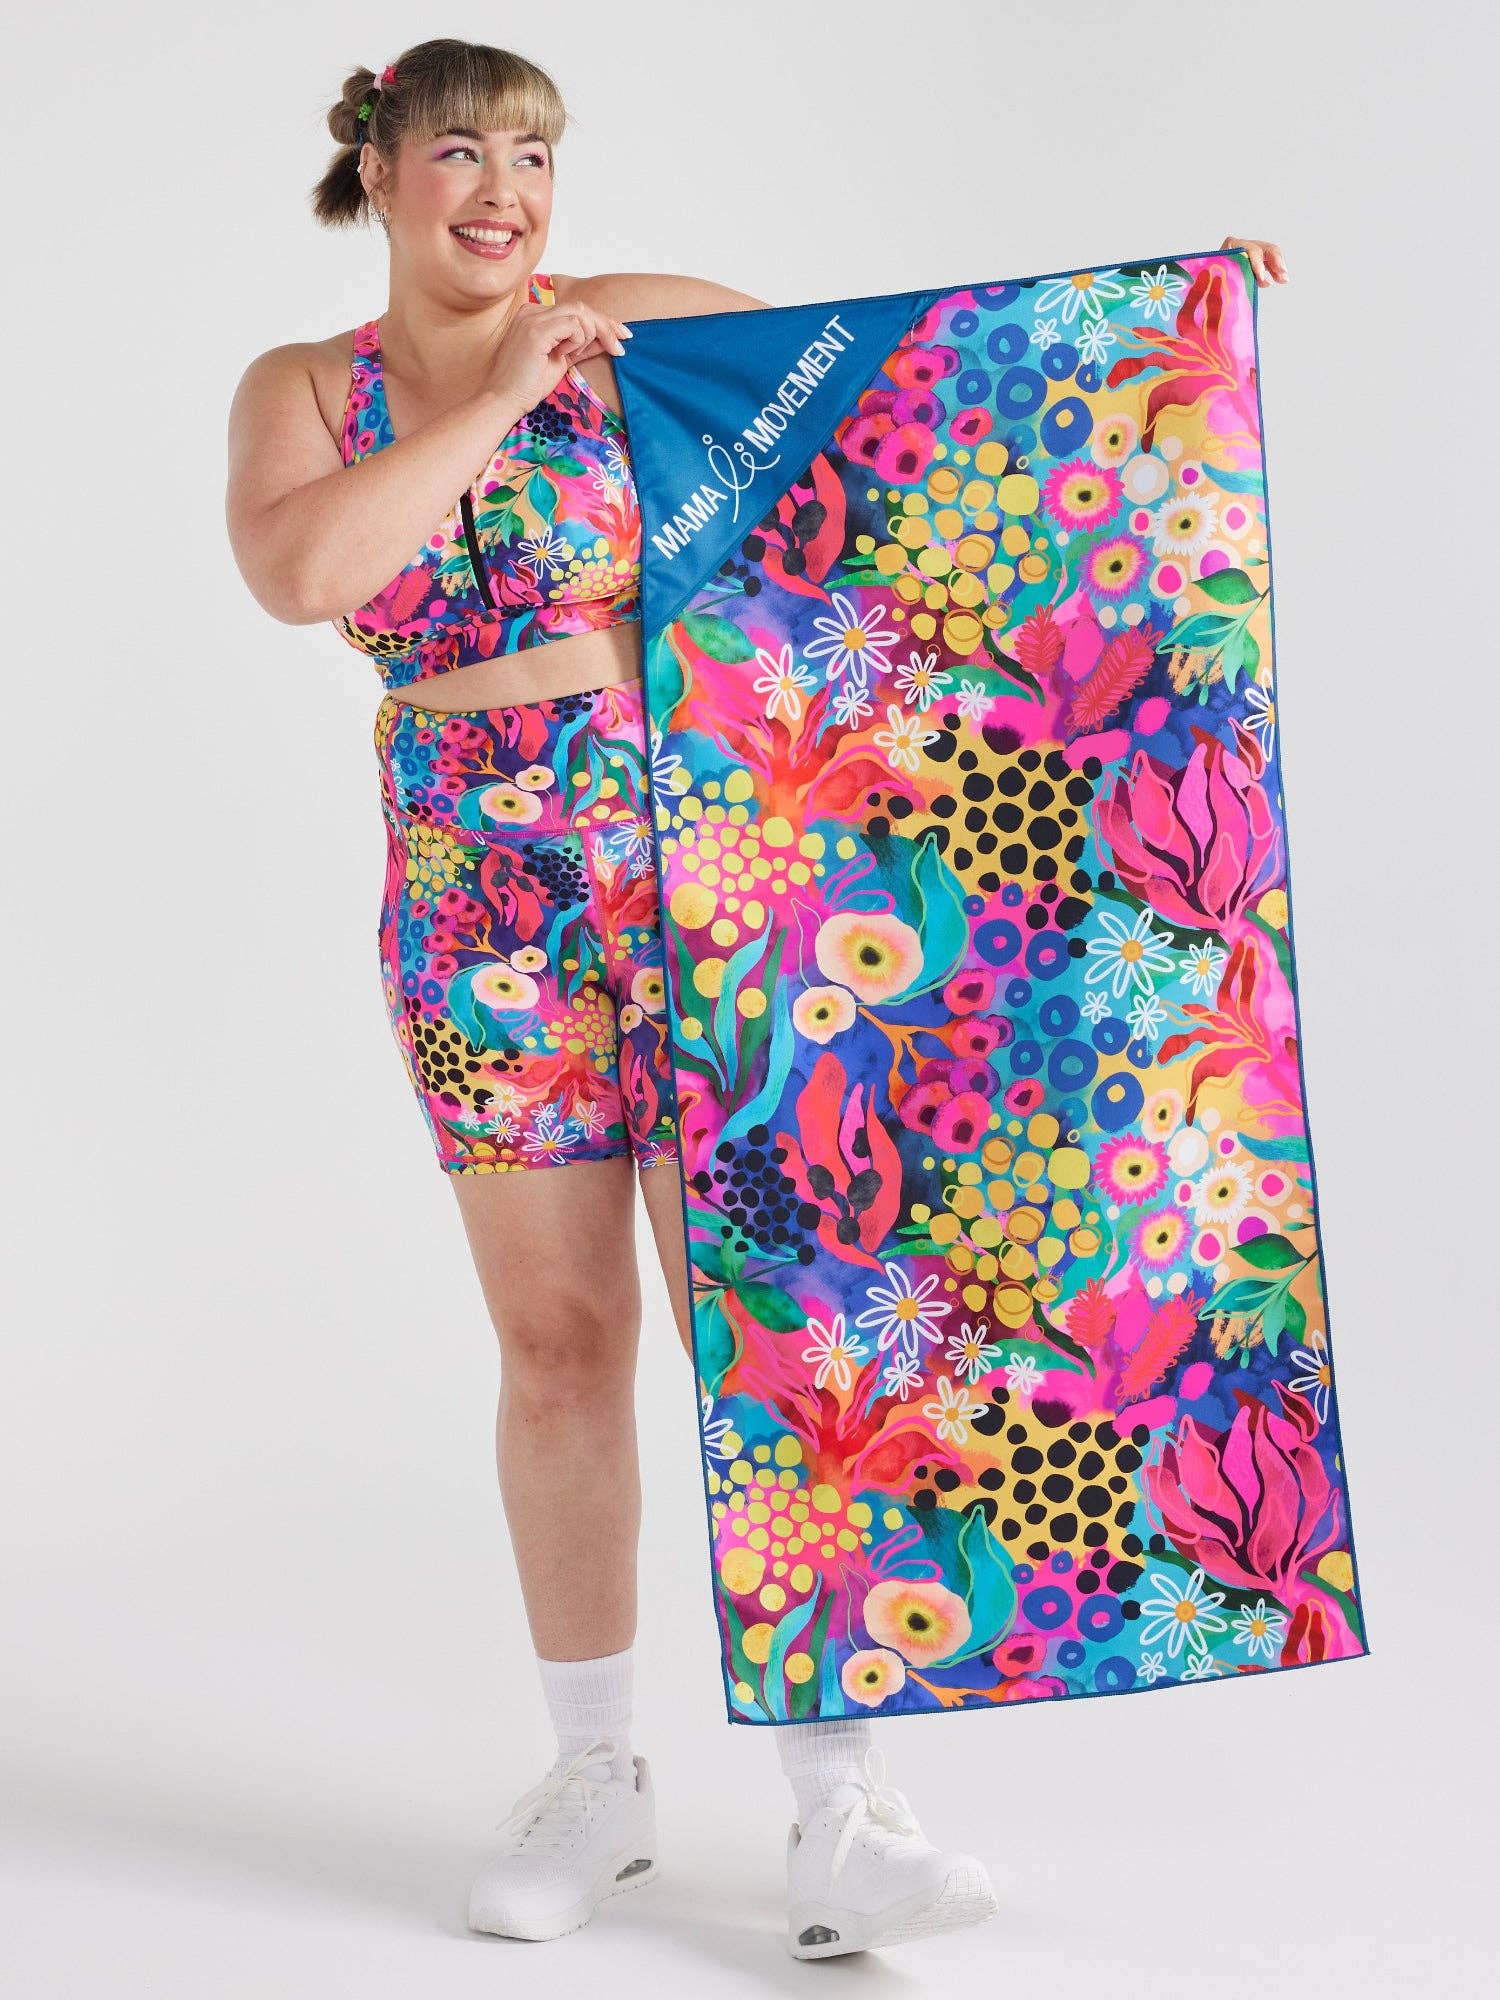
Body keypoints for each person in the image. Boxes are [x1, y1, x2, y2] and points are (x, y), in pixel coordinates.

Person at [226, 34, 1289, 1959]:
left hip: (719, 873)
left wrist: (1165, 313)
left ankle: (839, 1808)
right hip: (479, 907)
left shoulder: (637, 324)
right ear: (377, 173)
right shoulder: (306, 389)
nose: (504, 194)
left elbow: (921, 376)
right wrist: (504, 397)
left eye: (534, 159)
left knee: (782, 1322)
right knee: (559, 1340)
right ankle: (596, 1778)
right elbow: (307, 572)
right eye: (460, 154)